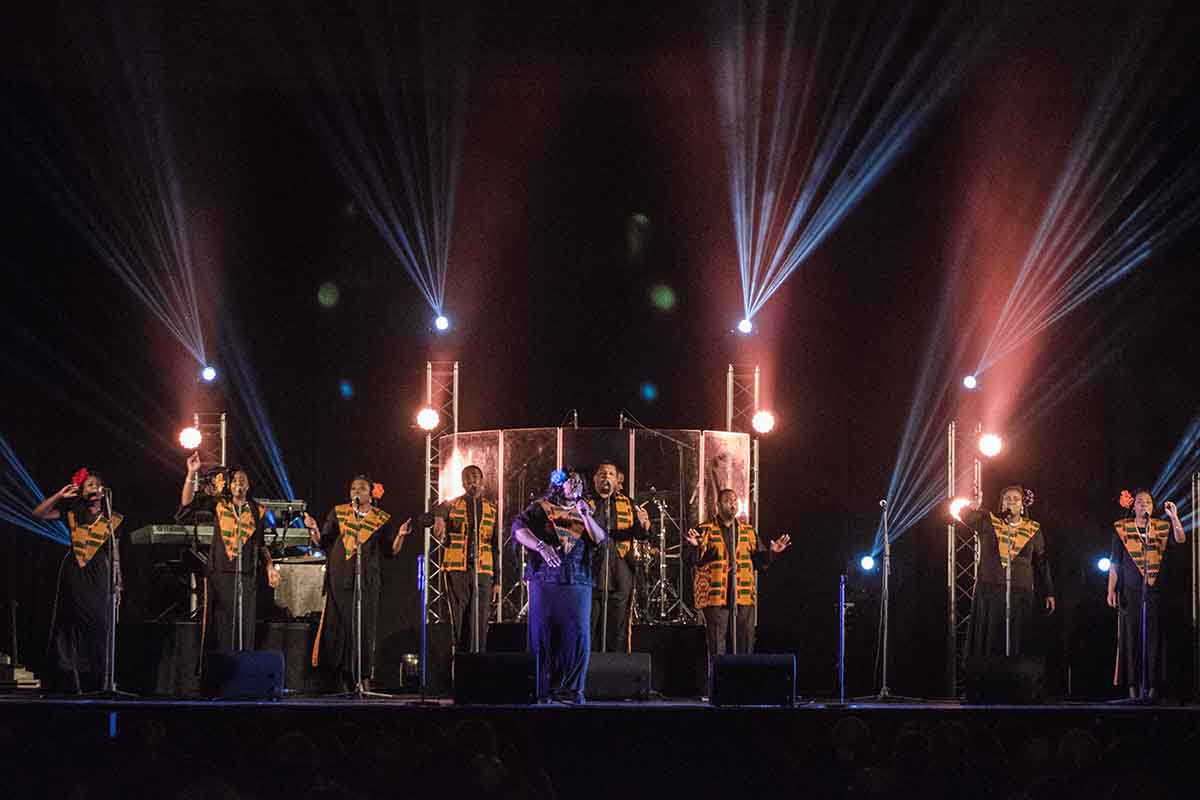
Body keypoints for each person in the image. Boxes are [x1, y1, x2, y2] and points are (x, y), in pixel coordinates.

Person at [511, 468, 608, 702]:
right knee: (542, 634)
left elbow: (601, 538)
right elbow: (518, 530)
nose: (574, 485)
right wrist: (541, 547)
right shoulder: (541, 507)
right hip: (544, 580)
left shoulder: (589, 509)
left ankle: (574, 689)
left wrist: (584, 515)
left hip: (578, 580)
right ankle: (542, 688)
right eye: (570, 481)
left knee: (578, 635)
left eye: (578, 482)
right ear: (558, 484)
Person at [305, 475, 410, 691]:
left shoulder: (381, 518)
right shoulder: (339, 513)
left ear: (371, 493)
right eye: (353, 488)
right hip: (339, 579)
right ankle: (340, 679)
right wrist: (313, 528)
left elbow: (391, 551)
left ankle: (362, 677)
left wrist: (400, 535)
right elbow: (323, 542)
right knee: (340, 629)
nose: (356, 492)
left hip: (367, 582)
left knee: (363, 629)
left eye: (361, 488)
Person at [180, 453, 281, 665]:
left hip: (246, 574)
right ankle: (220, 671)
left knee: (245, 625)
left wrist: (270, 567)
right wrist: (191, 473)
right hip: (220, 574)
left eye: (242, 481)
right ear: (229, 485)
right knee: (221, 626)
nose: (238, 484)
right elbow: (187, 503)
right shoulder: (219, 504)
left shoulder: (256, 510)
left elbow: (261, 545)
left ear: (248, 485)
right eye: (234, 481)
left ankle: (244, 670)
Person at [32, 468, 123, 693]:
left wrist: (119, 584)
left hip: (101, 573)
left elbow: (116, 554)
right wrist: (59, 496)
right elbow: (38, 514)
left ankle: (99, 680)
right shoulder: (72, 513)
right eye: (88, 485)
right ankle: (70, 681)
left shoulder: (113, 518)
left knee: (100, 625)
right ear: (82, 491)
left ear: (103, 491)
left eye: (96, 484)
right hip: (75, 571)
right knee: (71, 625)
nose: (93, 488)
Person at [683, 488, 791, 660]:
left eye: (735, 500)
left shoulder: (747, 531)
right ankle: (717, 682)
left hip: (743, 595)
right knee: (716, 645)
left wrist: (772, 553)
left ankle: (743, 681)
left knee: (745, 643)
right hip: (716, 597)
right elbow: (690, 561)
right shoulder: (705, 529)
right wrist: (695, 546)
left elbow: (758, 562)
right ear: (718, 505)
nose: (733, 504)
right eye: (728, 500)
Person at [957, 486, 1055, 658]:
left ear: (1022, 505)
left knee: (1017, 638)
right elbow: (964, 516)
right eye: (1007, 498)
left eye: (1016, 498)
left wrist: (1049, 591)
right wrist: (973, 506)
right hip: (990, 588)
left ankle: (1014, 676)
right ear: (1001, 504)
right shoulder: (988, 521)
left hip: (1020, 591)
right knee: (991, 640)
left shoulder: (1033, 529)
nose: (1011, 501)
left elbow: (1041, 562)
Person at [1106, 489, 1186, 700]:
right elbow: (1114, 562)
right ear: (1133, 507)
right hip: (1129, 592)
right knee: (1130, 638)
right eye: (1140, 502)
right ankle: (1132, 688)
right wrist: (1111, 589)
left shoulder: (1161, 527)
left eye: (1148, 502)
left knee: (1153, 639)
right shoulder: (1122, 528)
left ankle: (1152, 688)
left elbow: (1180, 539)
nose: (1143, 505)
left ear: (1153, 507)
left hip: (1154, 592)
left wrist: (1174, 517)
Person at [432, 465, 499, 654]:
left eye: (476, 476)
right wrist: (438, 518)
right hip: (456, 570)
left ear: (482, 481)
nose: (472, 481)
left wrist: (498, 581)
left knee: (480, 620)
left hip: (483, 571)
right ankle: (459, 662)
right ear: (463, 483)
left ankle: (478, 663)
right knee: (458, 619)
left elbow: (495, 546)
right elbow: (431, 515)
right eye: (468, 478)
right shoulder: (451, 504)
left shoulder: (491, 509)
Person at [587, 461, 650, 653]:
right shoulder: (585, 502)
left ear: (617, 480)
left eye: (610, 474)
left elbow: (639, 534)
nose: (606, 477)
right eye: (602, 473)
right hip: (591, 573)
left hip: (621, 572)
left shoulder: (628, 503)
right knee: (589, 626)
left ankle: (616, 672)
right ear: (595, 479)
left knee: (618, 628)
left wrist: (645, 525)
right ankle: (589, 673)